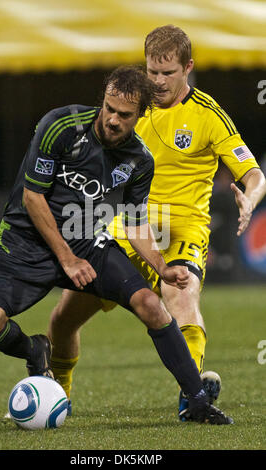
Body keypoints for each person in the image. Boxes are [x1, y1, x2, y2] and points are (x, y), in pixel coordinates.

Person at [0, 66, 233, 424]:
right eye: (108, 108)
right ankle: (35, 349)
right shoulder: (60, 126)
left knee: (151, 305)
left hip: (88, 243)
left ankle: (197, 400)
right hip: (24, 241)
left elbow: (135, 221)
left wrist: (160, 266)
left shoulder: (139, 160)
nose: (112, 119)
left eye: (124, 115)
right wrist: (66, 258)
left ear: (141, 116)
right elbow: (33, 198)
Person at [47, 26, 266, 420]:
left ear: (188, 68)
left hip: (182, 229)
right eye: (152, 72)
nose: (159, 81)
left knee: (181, 295)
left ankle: (192, 394)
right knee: (63, 319)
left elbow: (254, 175)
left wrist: (249, 200)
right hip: (131, 226)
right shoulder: (131, 109)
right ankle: (55, 398)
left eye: (168, 73)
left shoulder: (209, 116)